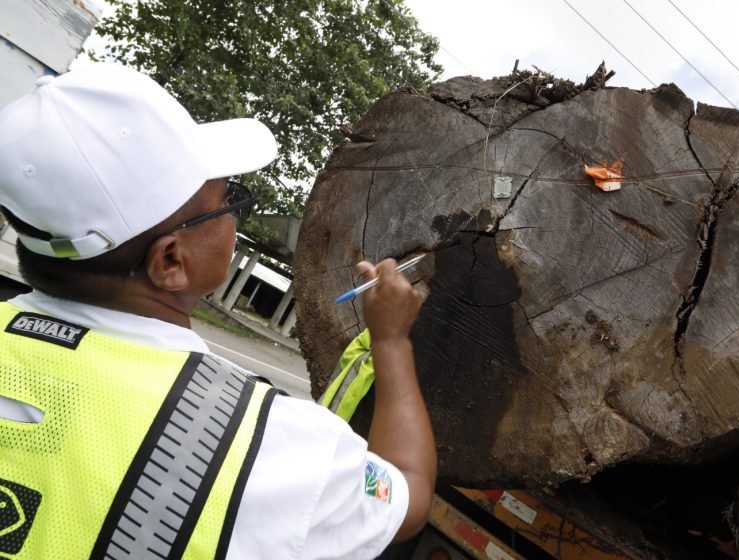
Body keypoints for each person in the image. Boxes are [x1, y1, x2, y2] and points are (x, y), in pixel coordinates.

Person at [0, 63, 436, 559]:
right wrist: (391, 340)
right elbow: (408, 492)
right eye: (228, 197)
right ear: (170, 260)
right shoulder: (268, 447)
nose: (233, 211)